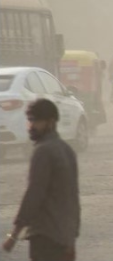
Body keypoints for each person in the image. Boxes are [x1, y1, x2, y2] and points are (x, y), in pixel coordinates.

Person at [2, 99, 80, 261]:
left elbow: (34, 194)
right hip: (64, 238)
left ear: (51, 122)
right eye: (29, 120)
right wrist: (71, 238)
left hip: (46, 237)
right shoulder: (67, 150)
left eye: (35, 120)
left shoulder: (43, 151)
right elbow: (74, 199)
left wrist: (14, 235)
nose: (30, 126)